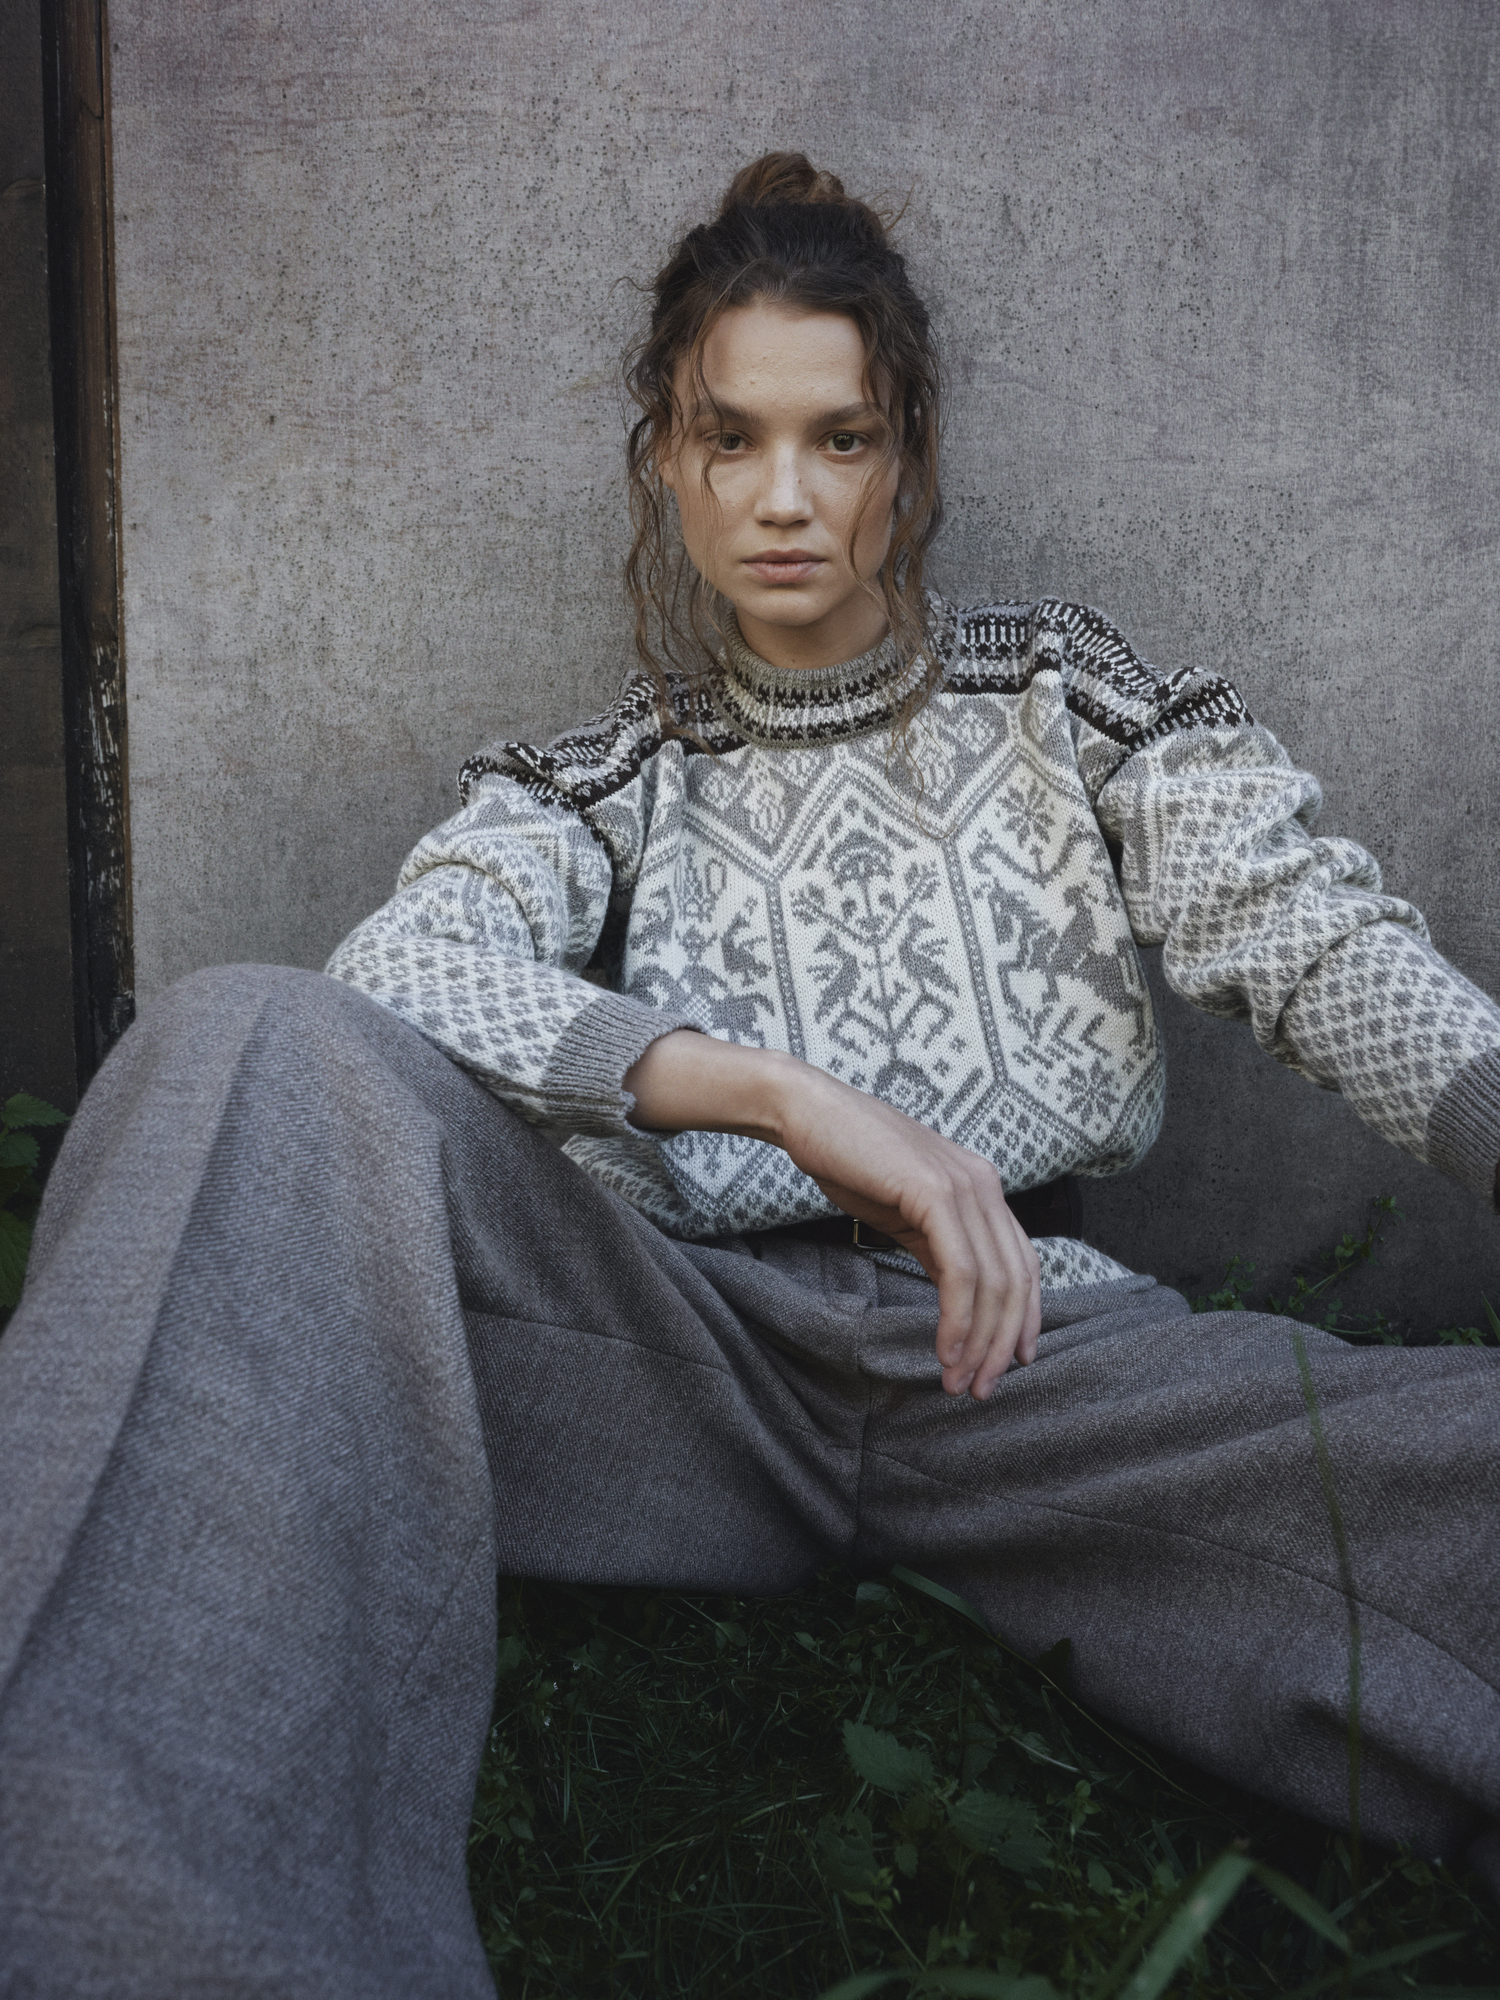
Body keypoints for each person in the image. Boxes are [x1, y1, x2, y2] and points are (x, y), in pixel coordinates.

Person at [2, 152, 1498, 1997]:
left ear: (911, 455)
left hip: (1033, 1362)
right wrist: (786, 1098)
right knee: (242, 1037)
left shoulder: (1076, 707)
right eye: (730, 440)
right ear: (668, 462)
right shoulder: (599, 774)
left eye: (840, 440)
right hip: (672, 1361)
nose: (784, 498)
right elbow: (400, 968)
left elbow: (1328, 953)